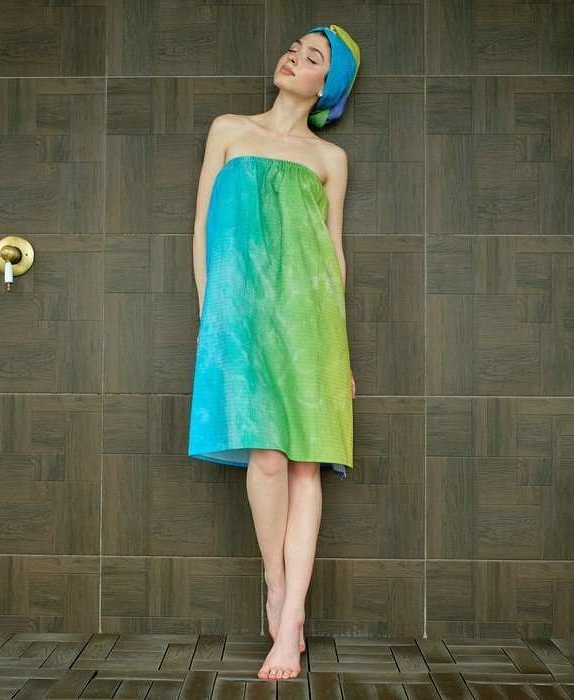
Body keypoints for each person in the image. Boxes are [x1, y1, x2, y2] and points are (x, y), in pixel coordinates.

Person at [188, 25, 360, 680]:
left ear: (327, 88)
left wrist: (342, 355)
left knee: (306, 468)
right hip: (243, 318)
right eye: (295, 48)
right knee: (266, 457)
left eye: (313, 58)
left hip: (311, 322)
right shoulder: (228, 130)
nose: (295, 58)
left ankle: (290, 626)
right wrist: (211, 316)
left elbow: (333, 253)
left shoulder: (330, 159)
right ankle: (276, 582)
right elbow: (202, 227)